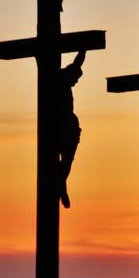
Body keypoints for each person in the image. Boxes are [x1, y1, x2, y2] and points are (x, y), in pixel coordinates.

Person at [58, 51, 86, 208]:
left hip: (68, 125)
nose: (75, 83)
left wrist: (83, 50)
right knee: (66, 160)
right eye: (75, 79)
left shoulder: (64, 79)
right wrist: (83, 50)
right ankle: (61, 185)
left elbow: (78, 63)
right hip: (61, 126)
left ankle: (61, 184)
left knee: (67, 161)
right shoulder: (59, 78)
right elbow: (77, 64)